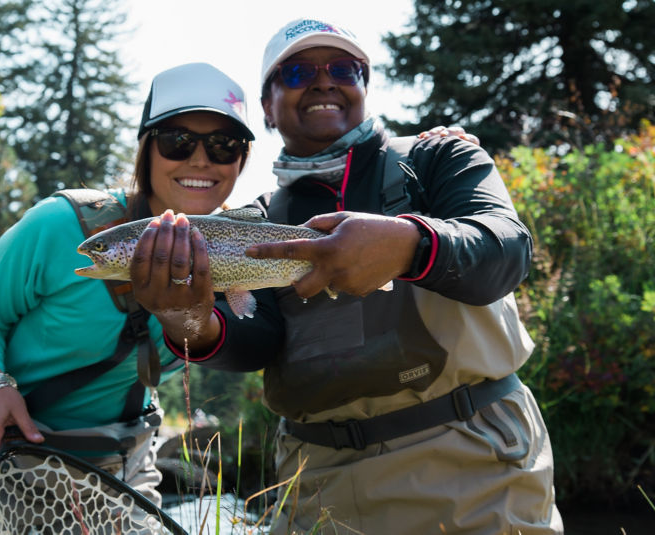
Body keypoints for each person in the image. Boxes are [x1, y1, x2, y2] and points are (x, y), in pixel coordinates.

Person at [131, 18, 563, 535]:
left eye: (343, 68)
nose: (322, 81)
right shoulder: (257, 220)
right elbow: (257, 341)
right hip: (315, 484)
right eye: (295, 73)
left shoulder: (438, 158)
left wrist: (409, 245)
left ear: (364, 87)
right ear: (267, 108)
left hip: (473, 470)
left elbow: (506, 252)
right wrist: (190, 322)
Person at [0, 61, 255, 534]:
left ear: (241, 161)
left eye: (223, 146)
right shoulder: (61, 226)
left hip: (116, 472)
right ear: (146, 151)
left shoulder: (245, 256)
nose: (200, 160)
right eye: (177, 141)